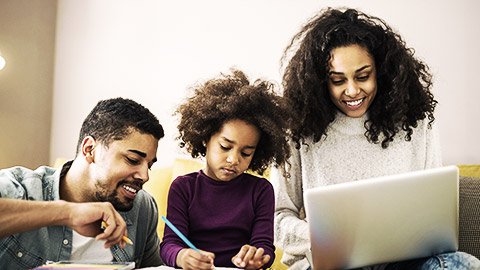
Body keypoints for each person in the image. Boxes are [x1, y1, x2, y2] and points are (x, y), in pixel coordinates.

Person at [273, 7, 480, 270]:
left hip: (405, 262)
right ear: (320, 81)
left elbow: (433, 215)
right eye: (337, 80)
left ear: (380, 71)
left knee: (463, 264)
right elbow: (278, 216)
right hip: (331, 264)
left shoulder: (416, 122)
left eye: (363, 76)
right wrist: (324, 237)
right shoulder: (299, 130)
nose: (352, 90)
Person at [0, 97, 165, 269]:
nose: (145, 176)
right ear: (90, 149)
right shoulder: (20, 189)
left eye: (150, 165)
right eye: (133, 160)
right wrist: (68, 213)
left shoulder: (143, 207)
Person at [160, 70, 291, 270]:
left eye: (246, 153)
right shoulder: (183, 187)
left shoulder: (261, 190)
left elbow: (264, 247)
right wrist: (182, 256)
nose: (233, 159)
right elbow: (169, 245)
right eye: (225, 147)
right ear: (205, 138)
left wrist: (258, 257)